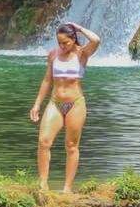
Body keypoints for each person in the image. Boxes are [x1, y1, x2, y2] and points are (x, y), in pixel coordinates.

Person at [30, 22, 100, 192]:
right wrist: (37, 104)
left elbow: (96, 40)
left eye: (66, 42)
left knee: (71, 145)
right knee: (44, 141)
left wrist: (80, 28)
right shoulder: (53, 54)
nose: (62, 46)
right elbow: (47, 80)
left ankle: (67, 188)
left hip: (75, 104)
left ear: (73, 39)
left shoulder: (82, 53)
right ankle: (43, 183)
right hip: (55, 103)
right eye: (59, 42)